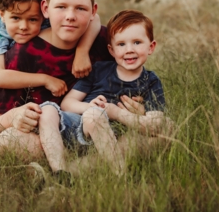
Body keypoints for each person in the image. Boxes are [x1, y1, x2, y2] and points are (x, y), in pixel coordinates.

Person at [0, 0, 112, 182]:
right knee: (7, 142)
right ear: (46, 9)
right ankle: (82, 165)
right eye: (61, 7)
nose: (70, 16)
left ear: (93, 12)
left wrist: (136, 105)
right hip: (45, 138)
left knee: (161, 132)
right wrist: (15, 116)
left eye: (80, 8)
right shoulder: (22, 54)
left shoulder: (105, 41)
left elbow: (135, 81)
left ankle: (68, 170)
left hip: (98, 129)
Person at [0, 0, 100, 133]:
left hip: (24, 73)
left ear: (43, 12)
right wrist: (45, 80)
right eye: (15, 18)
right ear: (2, 14)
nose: (23, 26)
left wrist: (82, 51)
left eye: (33, 20)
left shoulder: (49, 18)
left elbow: (95, 19)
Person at [60, 9, 175, 173]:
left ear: (151, 47)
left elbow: (156, 119)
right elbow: (67, 103)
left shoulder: (150, 80)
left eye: (137, 42)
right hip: (87, 132)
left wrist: (120, 113)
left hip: (122, 136)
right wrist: (92, 107)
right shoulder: (99, 70)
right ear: (111, 50)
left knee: (168, 128)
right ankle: (112, 173)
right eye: (121, 44)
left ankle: (78, 170)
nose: (129, 49)